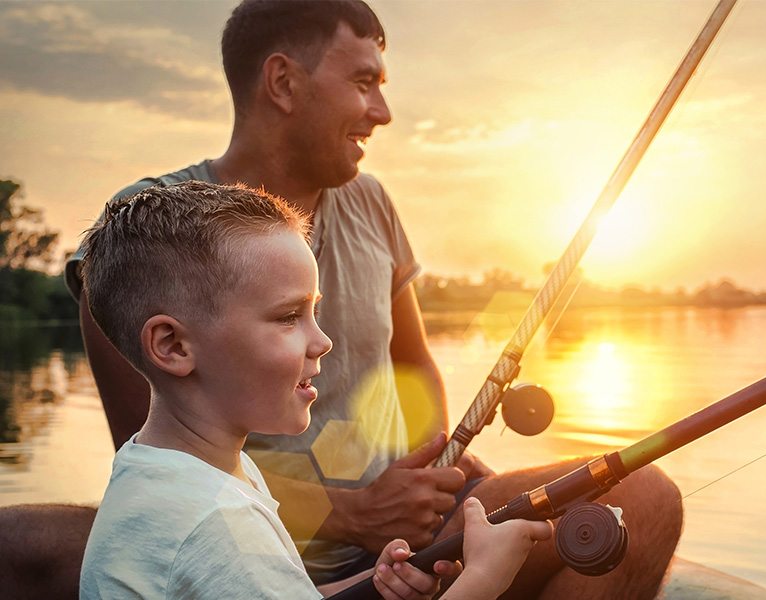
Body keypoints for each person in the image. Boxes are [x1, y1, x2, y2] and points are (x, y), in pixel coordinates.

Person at [0, 2, 683, 599]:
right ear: (283, 82)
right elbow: (151, 445)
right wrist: (353, 514)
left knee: (642, 496)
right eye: (364, 83)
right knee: (15, 540)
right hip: (233, 520)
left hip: (393, 535)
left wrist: (437, 475)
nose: (383, 112)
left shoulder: (374, 201)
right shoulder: (147, 229)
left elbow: (415, 367)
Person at [77, 180, 551, 600]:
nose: (323, 341)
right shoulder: (213, 525)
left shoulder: (177, 472)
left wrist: (375, 582)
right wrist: (483, 579)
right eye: (288, 317)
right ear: (173, 346)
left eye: (314, 313)